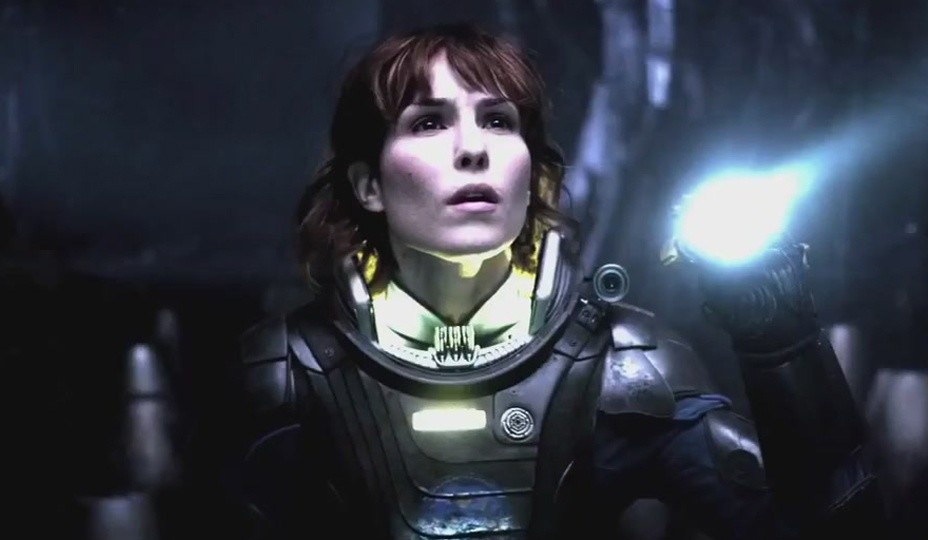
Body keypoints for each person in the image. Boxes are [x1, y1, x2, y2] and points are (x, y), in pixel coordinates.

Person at [233, 23, 884, 539]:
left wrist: (780, 342)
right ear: (368, 184)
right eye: (429, 122)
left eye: (498, 120)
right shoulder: (291, 369)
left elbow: (828, 525)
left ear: (535, 174)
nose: (473, 149)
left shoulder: (622, 362)